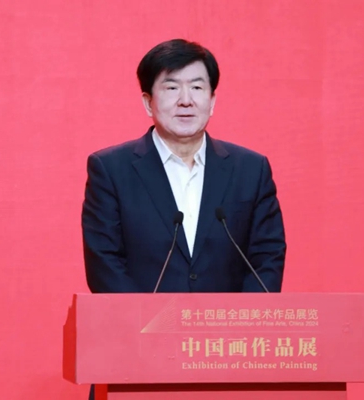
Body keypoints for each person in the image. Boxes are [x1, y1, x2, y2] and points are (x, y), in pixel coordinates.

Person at [81, 37, 286, 400]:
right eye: (172, 87)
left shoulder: (250, 169)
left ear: (213, 100)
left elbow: (267, 258)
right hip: (136, 360)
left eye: (197, 87)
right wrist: (151, 333)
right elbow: (104, 263)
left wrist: (243, 332)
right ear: (148, 102)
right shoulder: (110, 169)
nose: (186, 100)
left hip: (229, 361)